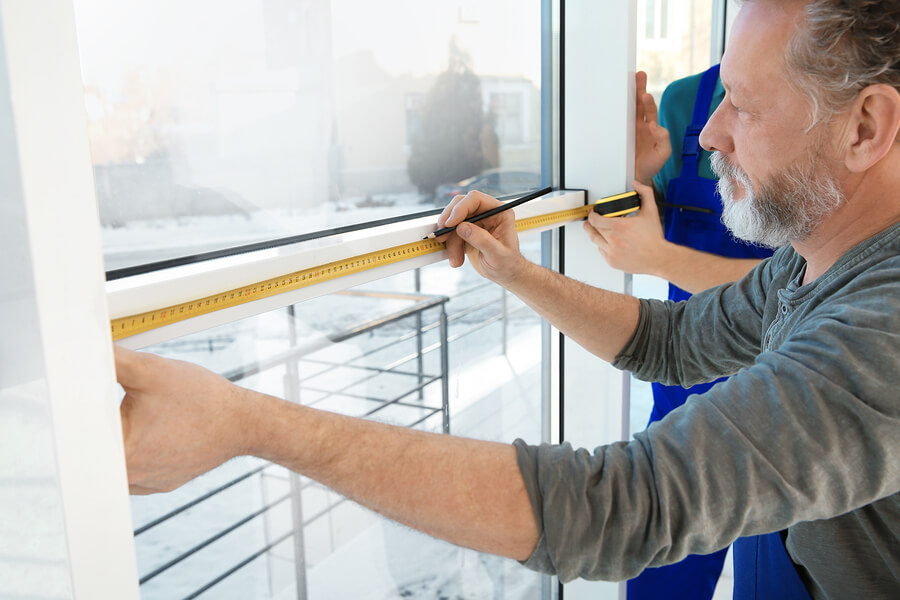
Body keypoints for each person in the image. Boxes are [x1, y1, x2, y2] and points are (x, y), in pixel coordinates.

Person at [117, 1, 900, 598]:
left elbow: (629, 502)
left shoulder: (882, 329)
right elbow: (678, 340)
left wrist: (246, 422)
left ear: (865, 125)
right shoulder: (817, 261)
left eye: (744, 105)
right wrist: (515, 272)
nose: (707, 135)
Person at [585, 65, 776, 599]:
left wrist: (662, 258)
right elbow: (642, 228)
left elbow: (812, 282)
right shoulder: (686, 102)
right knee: (661, 584)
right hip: (684, 415)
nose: (715, 132)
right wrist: (639, 177)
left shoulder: (824, 98)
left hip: (786, 411)